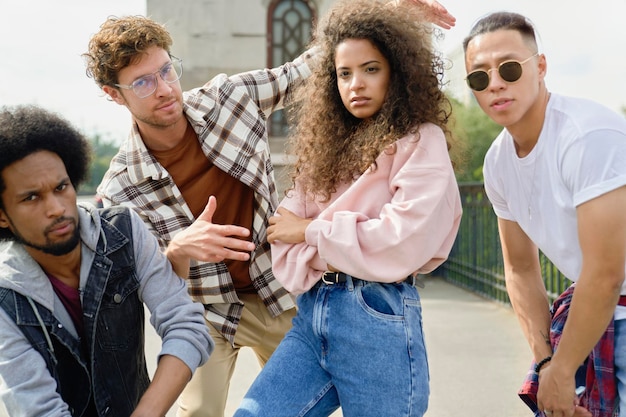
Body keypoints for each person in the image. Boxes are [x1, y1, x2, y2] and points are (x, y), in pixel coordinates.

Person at [82, 2, 455, 416]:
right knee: (199, 412)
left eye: (167, 70)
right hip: (209, 308)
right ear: (114, 94)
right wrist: (179, 250)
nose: (166, 88)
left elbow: (310, 68)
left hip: (277, 289)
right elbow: (146, 290)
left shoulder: (228, 98)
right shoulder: (121, 190)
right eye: (143, 83)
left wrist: (389, 11)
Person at [233, 1, 462, 416]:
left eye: (371, 69)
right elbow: (281, 236)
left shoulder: (420, 141)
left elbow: (399, 240)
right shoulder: (327, 151)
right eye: (344, 73)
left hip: (377, 314)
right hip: (313, 312)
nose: (356, 83)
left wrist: (312, 233)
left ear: (398, 71)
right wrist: (340, 237)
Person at [0, 105, 213, 417]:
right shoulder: (6, 299)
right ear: (3, 216)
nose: (57, 208)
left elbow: (186, 325)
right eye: (31, 197)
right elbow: (38, 408)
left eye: (62, 187)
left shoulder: (122, 231)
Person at [463, 11, 626, 417]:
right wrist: (547, 364)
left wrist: (564, 368)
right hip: (592, 318)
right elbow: (519, 270)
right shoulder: (497, 163)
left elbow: (607, 272)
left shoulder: (588, 137)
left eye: (510, 68)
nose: (495, 83)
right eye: (479, 78)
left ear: (540, 67)